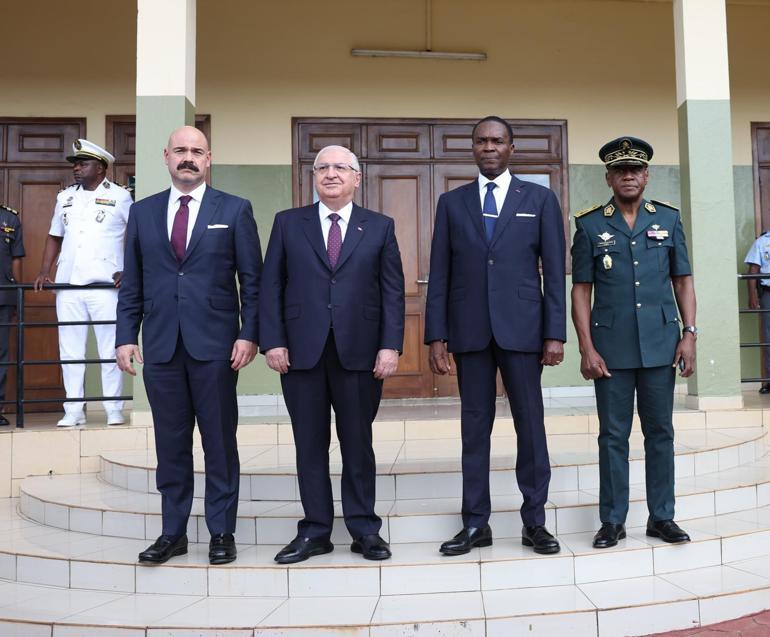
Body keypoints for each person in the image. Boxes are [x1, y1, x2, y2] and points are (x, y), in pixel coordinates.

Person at [115, 126, 262, 566]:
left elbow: (252, 281)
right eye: (180, 150)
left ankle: (221, 532)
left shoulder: (235, 210)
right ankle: (172, 533)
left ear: (209, 158)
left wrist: (248, 332)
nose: (188, 158)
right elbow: (133, 283)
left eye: (197, 151)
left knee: (219, 444)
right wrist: (126, 335)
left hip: (217, 347)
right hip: (160, 347)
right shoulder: (142, 213)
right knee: (170, 445)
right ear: (165, 156)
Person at [425, 116, 566, 556]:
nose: (489, 147)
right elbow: (441, 273)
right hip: (469, 333)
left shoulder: (540, 199)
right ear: (473, 148)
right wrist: (435, 335)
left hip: (523, 331)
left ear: (511, 148)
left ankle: (535, 522)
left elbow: (555, 271)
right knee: (474, 429)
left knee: (530, 426)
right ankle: (475, 524)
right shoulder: (452, 203)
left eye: (497, 141)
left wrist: (554, 333)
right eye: (482, 141)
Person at [260, 145, 404, 564]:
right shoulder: (288, 224)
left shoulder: (379, 226)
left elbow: (392, 291)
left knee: (358, 443)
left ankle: (364, 529)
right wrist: (273, 341)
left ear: (357, 178)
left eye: (341, 167)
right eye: (322, 167)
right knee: (309, 444)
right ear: (314, 177)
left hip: (360, 353)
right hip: (300, 353)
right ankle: (316, 530)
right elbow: (271, 286)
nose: (331, 174)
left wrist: (390, 345)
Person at [571, 136, 697, 549]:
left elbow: (683, 281)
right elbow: (581, 290)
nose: (628, 175)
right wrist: (587, 347)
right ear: (608, 177)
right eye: (620, 170)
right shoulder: (589, 224)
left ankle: (662, 517)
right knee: (613, 435)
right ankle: (612, 521)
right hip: (611, 349)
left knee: (661, 432)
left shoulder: (669, 219)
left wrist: (689, 335)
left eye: (635, 169)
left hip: (662, 342)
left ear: (646, 175)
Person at [34, 139, 132, 427]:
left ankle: (113, 408)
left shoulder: (120, 197)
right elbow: (55, 235)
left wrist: (128, 269)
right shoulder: (64, 197)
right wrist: (44, 269)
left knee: (110, 349)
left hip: (105, 286)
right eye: (75, 164)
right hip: (68, 286)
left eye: (83, 163)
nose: (76, 168)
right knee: (70, 349)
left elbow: (136, 235)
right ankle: (73, 409)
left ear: (101, 168)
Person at [0, 203, 24, 426]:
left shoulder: (10, 218)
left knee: (1, 354)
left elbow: (16, 258)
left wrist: (18, 293)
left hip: (3, 296)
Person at [744, 232, 770, 393]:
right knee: (769, 338)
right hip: (769, 292)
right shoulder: (762, 242)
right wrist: (752, 295)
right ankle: (769, 381)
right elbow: (753, 270)